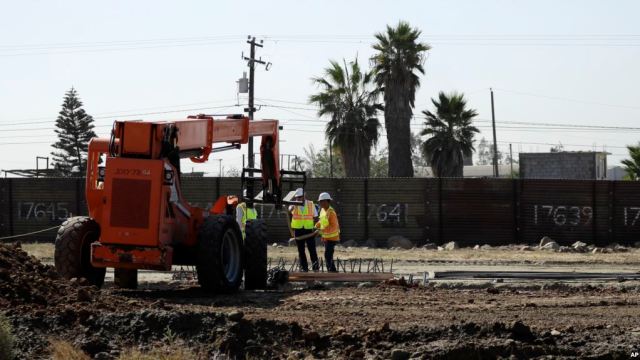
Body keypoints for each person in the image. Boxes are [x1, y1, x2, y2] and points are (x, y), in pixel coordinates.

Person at [288, 188, 319, 272]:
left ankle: (315, 268)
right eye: (297, 197)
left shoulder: (310, 204)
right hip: (298, 230)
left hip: (309, 230)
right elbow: (289, 210)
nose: (298, 198)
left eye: (300, 197)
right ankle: (304, 268)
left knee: (312, 250)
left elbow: (316, 217)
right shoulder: (293, 204)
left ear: (304, 196)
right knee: (301, 251)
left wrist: (316, 228)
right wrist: (294, 205)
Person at [315, 192, 340, 272]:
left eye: (322, 201)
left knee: (328, 254)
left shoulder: (331, 213)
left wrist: (321, 231)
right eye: (320, 201)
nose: (320, 203)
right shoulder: (323, 210)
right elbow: (321, 220)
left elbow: (334, 227)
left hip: (332, 237)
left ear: (327, 201)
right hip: (326, 237)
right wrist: (316, 226)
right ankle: (331, 270)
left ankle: (332, 270)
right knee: (328, 254)